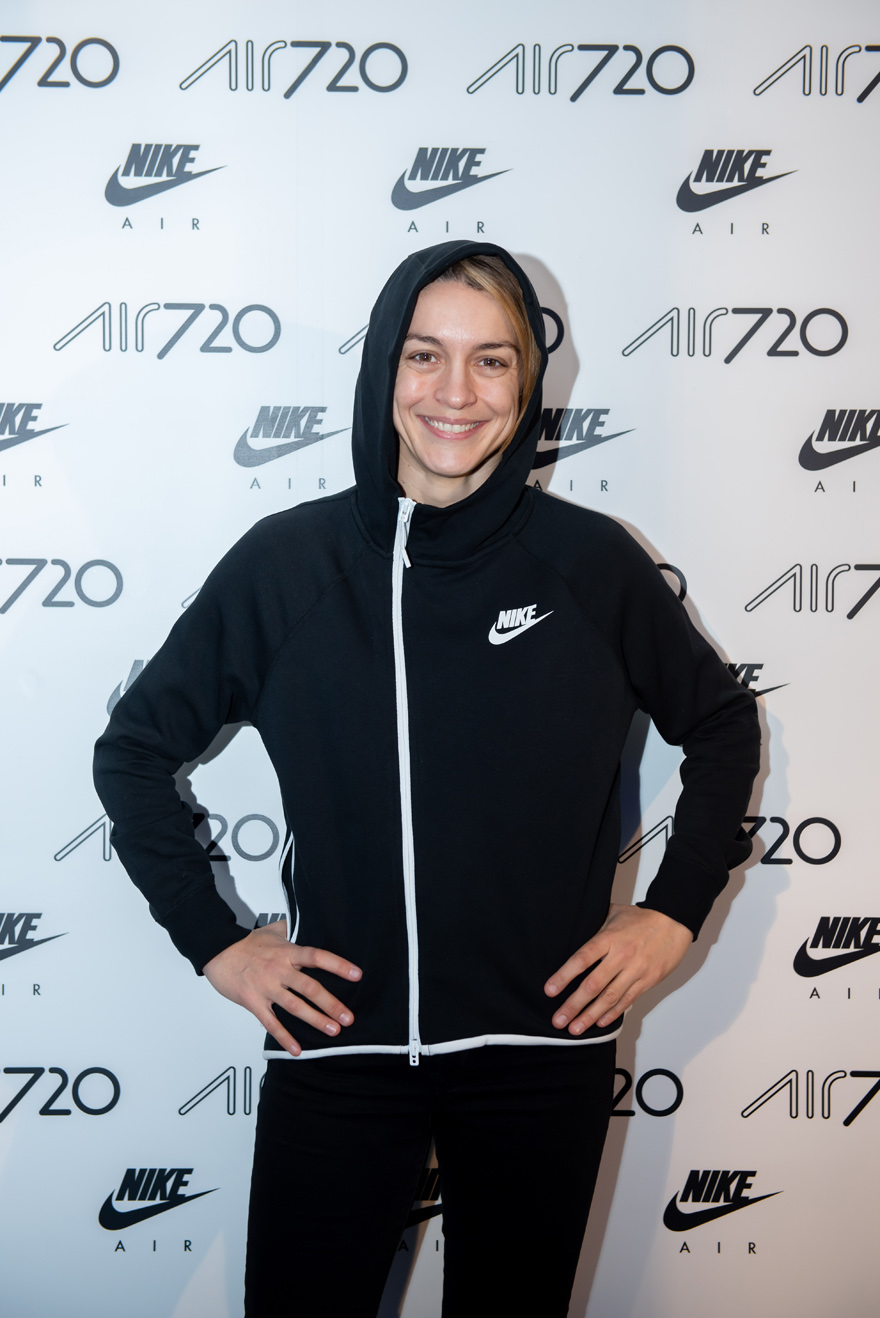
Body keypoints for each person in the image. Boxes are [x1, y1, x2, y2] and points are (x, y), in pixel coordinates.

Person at [94, 240, 760, 1316]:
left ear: (528, 384)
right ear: (382, 372)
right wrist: (218, 941)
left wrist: (672, 912)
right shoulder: (289, 563)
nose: (456, 392)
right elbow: (132, 751)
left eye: (491, 360)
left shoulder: (589, 562)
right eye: (424, 355)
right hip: (339, 1045)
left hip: (540, 1048)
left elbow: (721, 727)